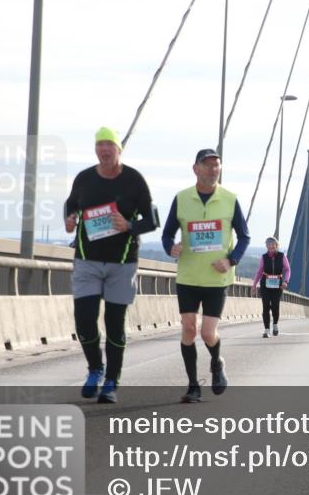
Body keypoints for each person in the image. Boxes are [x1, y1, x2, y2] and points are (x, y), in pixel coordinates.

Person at [64, 127, 158, 404]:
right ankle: (95, 368)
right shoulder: (84, 178)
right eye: (100, 146)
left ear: (119, 150)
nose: (104, 150)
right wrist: (69, 219)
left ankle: (112, 381)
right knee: (84, 321)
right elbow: (70, 205)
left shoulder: (134, 180)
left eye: (110, 146)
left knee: (114, 324)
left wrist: (130, 226)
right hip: (87, 260)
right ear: (96, 150)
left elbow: (152, 220)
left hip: (122, 263)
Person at [161, 148, 250, 403]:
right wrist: (170, 247)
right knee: (188, 329)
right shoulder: (182, 199)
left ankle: (217, 362)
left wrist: (232, 260)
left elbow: (244, 237)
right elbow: (167, 234)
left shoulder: (230, 199)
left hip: (216, 279)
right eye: (208, 165)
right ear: (196, 169)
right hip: (188, 277)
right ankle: (192, 386)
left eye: (217, 165)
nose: (213, 170)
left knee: (208, 334)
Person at [253, 237, 290, 337]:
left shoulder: (282, 256)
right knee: (265, 306)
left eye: (273, 244)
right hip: (265, 283)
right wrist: (254, 284)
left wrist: (286, 281)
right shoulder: (263, 257)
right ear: (266, 246)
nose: (271, 246)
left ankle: (275, 325)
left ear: (276, 245)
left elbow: (287, 270)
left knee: (275, 306)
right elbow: (259, 271)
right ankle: (266, 330)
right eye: (269, 244)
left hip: (278, 284)